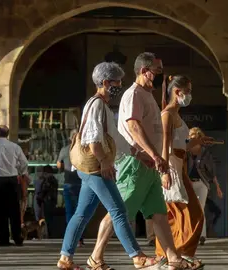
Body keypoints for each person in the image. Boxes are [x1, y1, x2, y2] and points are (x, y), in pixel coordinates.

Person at [90, 52, 198, 270]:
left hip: (150, 166)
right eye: (157, 71)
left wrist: (157, 158)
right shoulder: (134, 95)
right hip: (136, 163)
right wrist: (154, 155)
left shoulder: (148, 95)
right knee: (118, 212)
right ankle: (95, 257)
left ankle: (173, 258)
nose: (161, 75)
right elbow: (133, 126)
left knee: (158, 213)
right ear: (144, 71)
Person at [57, 62, 158, 270]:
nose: (119, 85)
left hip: (89, 169)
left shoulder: (101, 105)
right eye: (116, 82)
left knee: (82, 213)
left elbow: (116, 139)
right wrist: (105, 162)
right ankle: (137, 257)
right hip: (96, 168)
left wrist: (138, 154)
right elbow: (94, 141)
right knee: (119, 211)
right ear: (104, 82)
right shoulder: (96, 105)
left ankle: (66, 258)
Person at [155, 75, 205, 269]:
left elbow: (181, 143)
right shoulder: (167, 114)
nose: (190, 95)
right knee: (188, 214)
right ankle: (179, 255)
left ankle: (171, 256)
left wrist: (198, 142)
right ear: (178, 92)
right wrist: (164, 171)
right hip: (172, 166)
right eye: (188, 91)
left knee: (177, 215)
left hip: (179, 165)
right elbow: (165, 144)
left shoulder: (176, 115)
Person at [0, 125, 28, 246]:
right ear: (8, 134)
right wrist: (20, 171)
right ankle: (17, 238)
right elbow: (24, 162)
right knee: (14, 210)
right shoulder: (15, 147)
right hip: (11, 181)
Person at [187, 127, 223, 245]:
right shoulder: (186, 151)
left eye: (196, 138)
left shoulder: (204, 153)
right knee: (188, 209)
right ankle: (189, 235)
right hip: (188, 183)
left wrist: (217, 187)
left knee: (200, 209)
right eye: (191, 138)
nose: (193, 141)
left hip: (201, 183)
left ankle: (201, 235)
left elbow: (212, 171)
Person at [57, 129, 85, 247]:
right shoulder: (84, 149)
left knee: (70, 212)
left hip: (68, 183)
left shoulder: (64, 149)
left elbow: (59, 165)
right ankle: (79, 238)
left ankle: (70, 239)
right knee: (81, 212)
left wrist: (64, 168)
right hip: (81, 184)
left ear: (70, 138)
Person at [34, 165, 58, 238]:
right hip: (52, 201)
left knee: (47, 219)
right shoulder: (54, 180)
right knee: (50, 218)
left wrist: (39, 198)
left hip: (47, 201)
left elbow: (44, 190)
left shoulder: (47, 180)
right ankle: (50, 234)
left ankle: (48, 234)